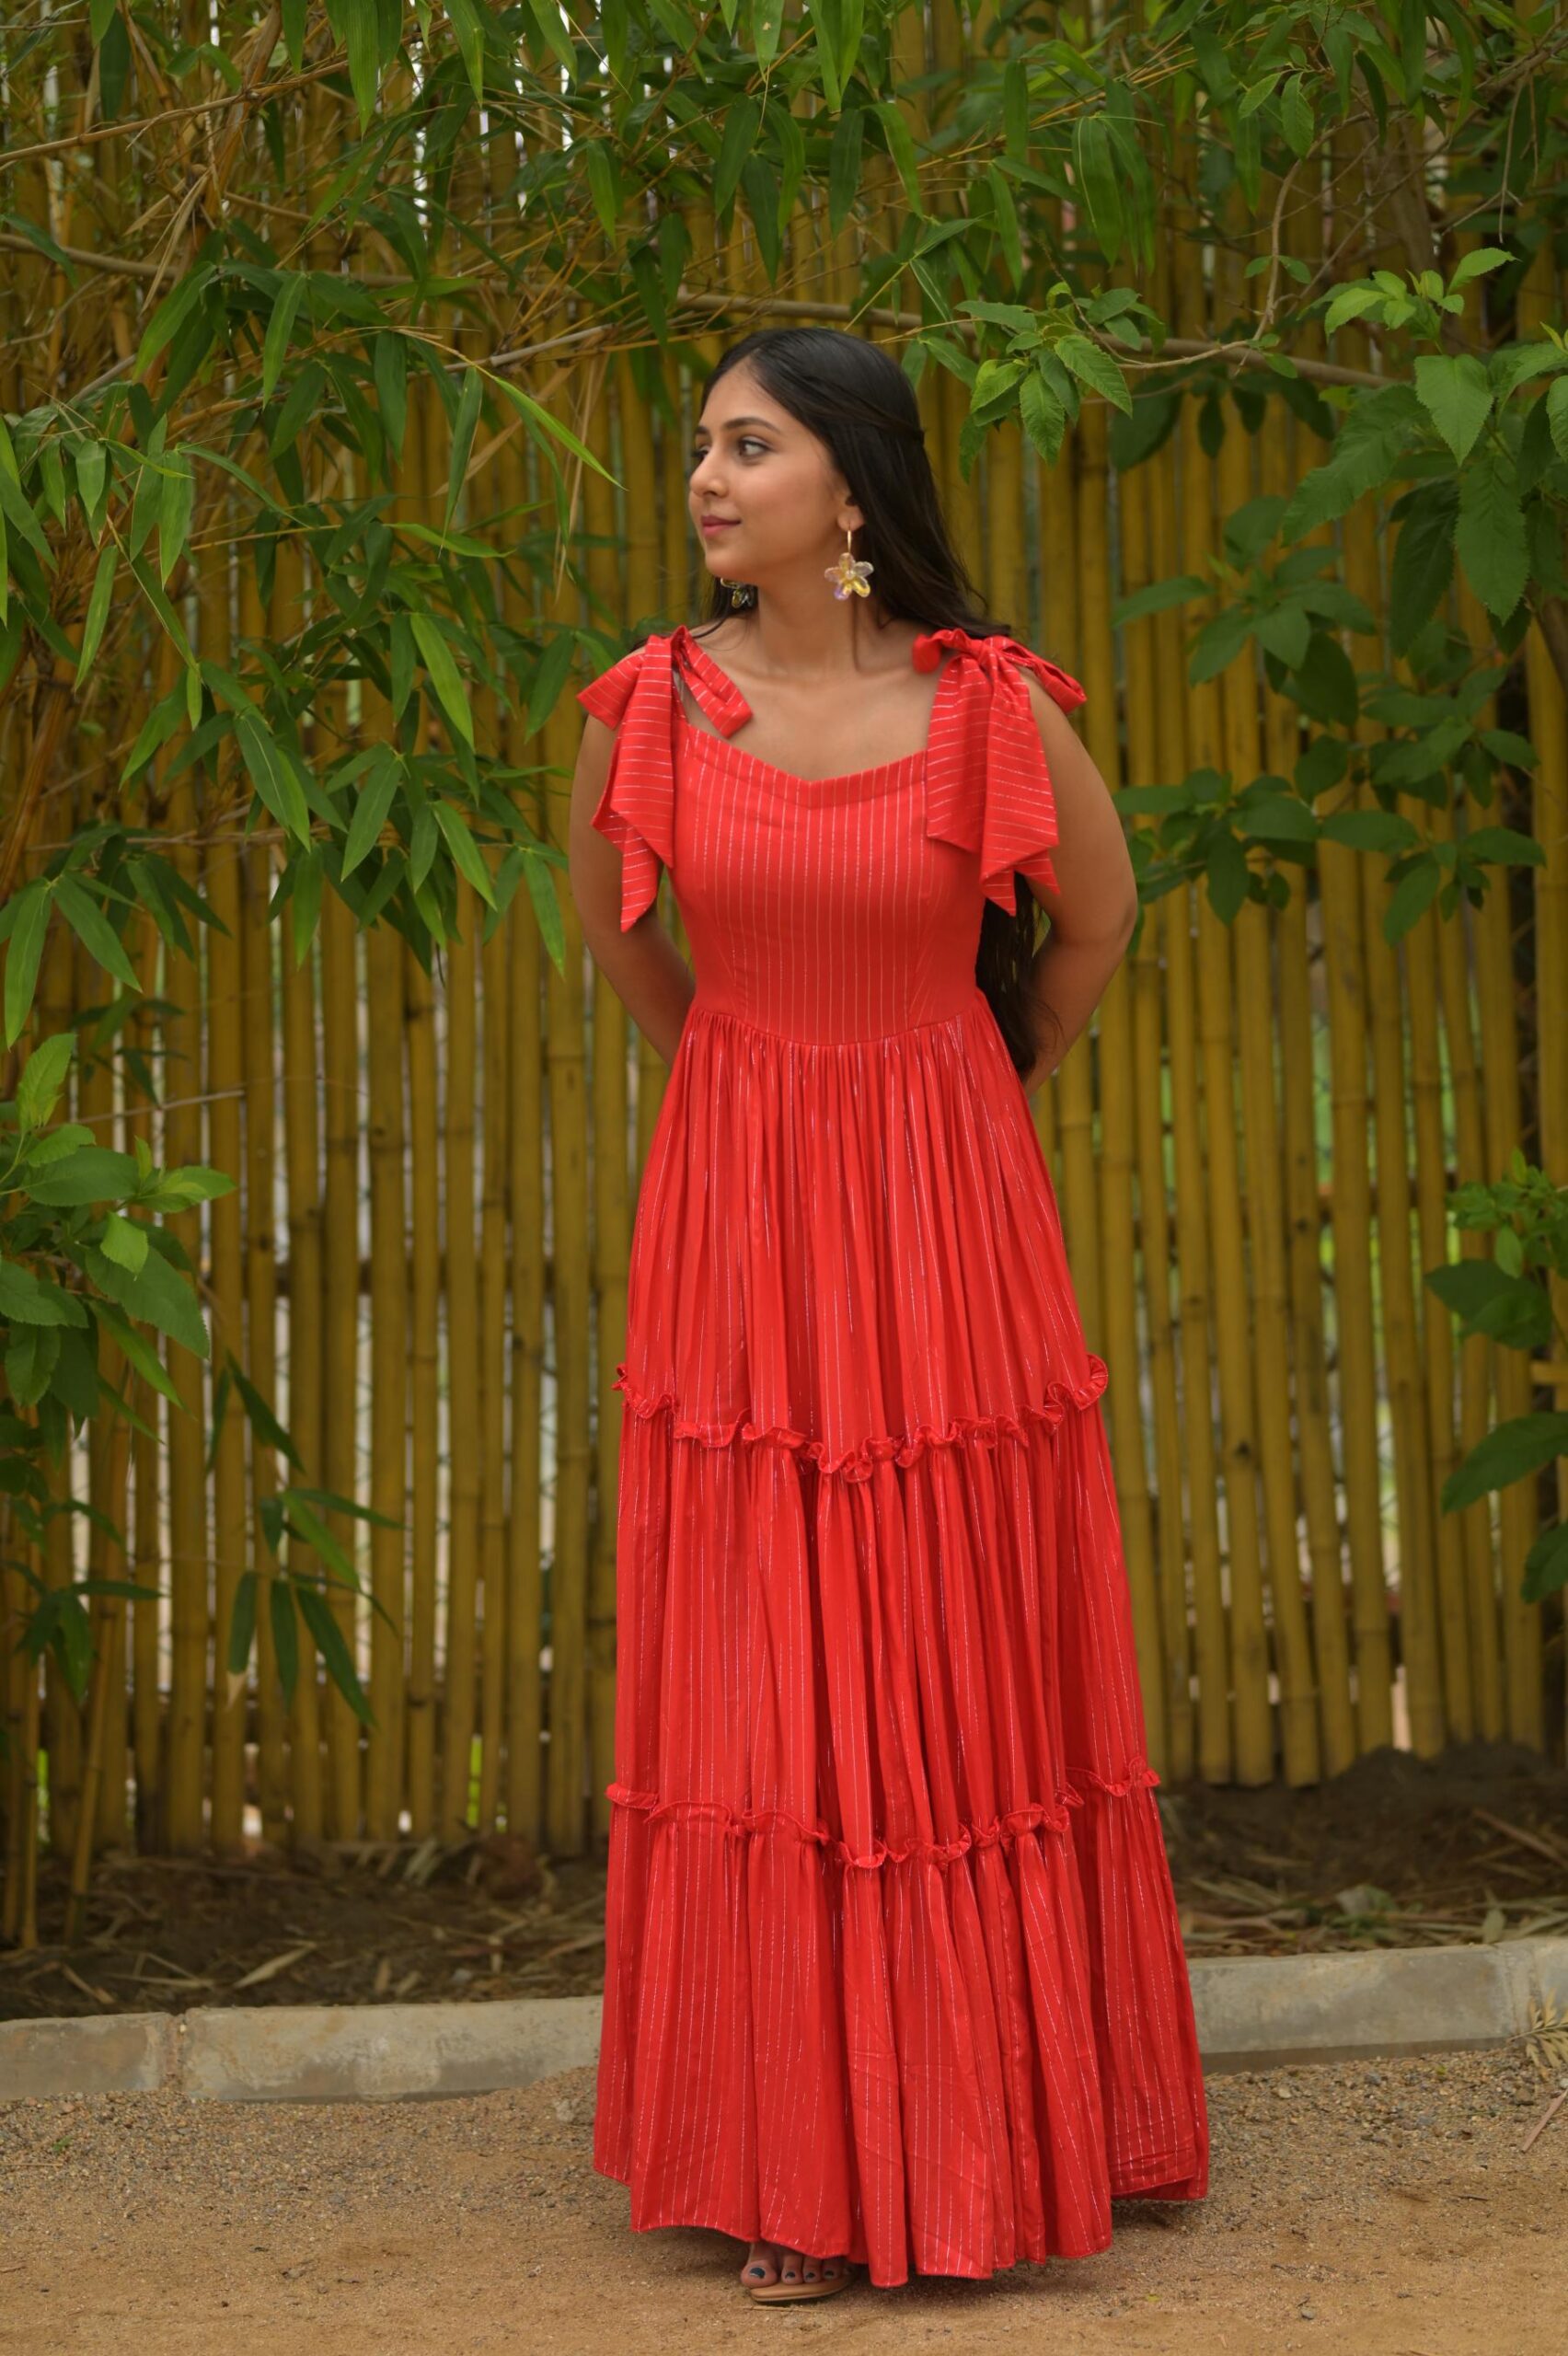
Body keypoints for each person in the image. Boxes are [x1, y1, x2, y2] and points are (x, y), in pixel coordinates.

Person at [568, 325, 1209, 2305]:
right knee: (772, 1639)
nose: (706, 476)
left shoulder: (987, 705)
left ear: (852, 489)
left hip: (950, 1217)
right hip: (745, 1218)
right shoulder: (654, 705)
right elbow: (618, 935)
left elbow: (1093, 915)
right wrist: (750, 1080)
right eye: (699, 446)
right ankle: (792, 2147)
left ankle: (1016, 2120)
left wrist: (966, 1083)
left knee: (962, 1636)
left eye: (747, 446)